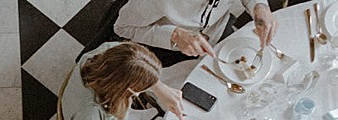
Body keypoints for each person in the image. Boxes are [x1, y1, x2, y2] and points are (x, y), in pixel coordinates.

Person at [113, 0, 279, 57]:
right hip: (166, 48)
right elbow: (122, 27)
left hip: (216, 30)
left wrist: (259, 6)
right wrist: (175, 35)